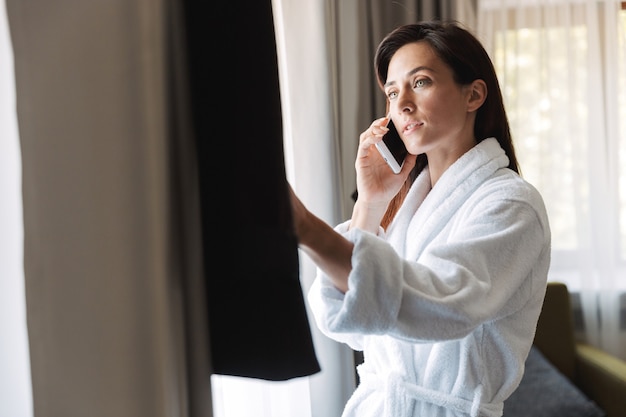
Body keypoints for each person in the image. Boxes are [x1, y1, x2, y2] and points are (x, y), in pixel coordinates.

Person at [289, 20, 551, 417]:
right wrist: (371, 203)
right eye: (392, 93)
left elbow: (445, 304)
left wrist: (307, 228)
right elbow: (353, 325)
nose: (402, 105)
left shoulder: (512, 204)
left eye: (421, 82)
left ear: (474, 95)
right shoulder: (410, 207)